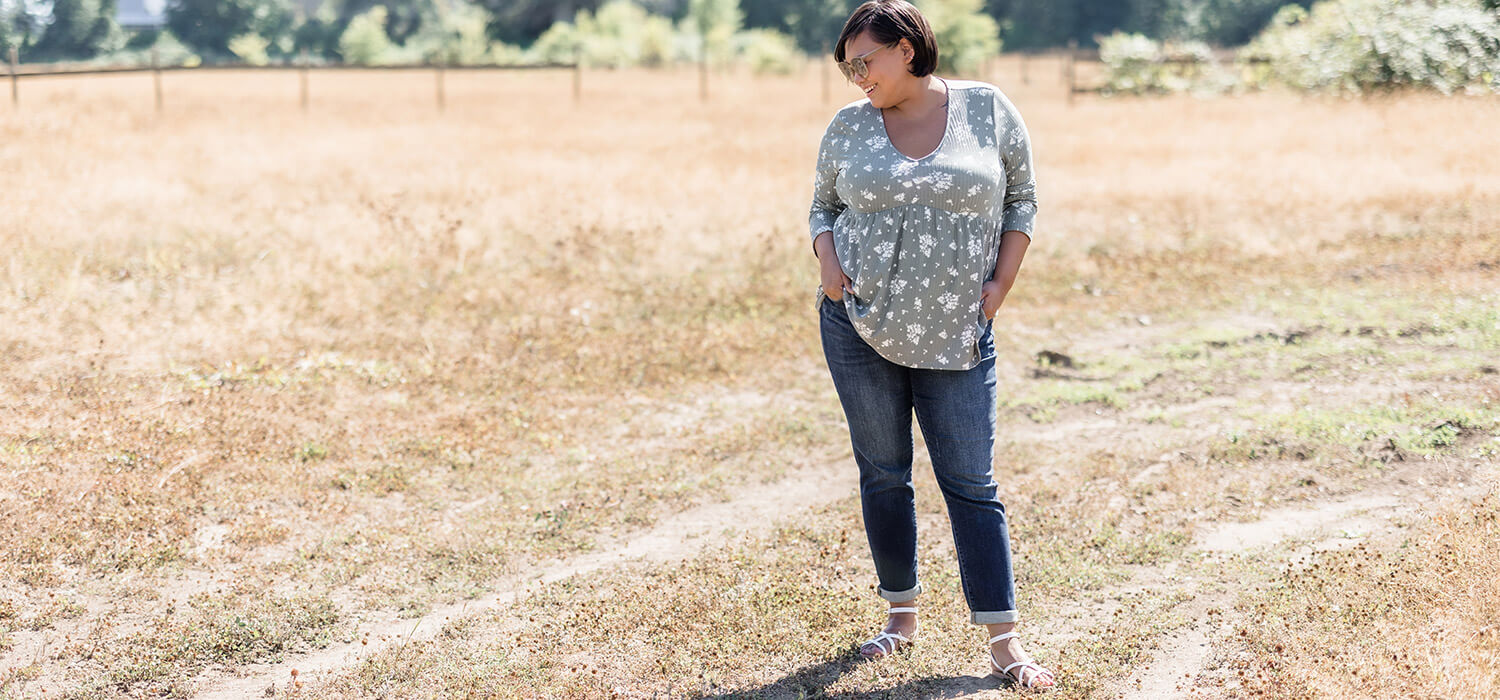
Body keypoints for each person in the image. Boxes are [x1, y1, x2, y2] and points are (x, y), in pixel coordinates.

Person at [806, 0, 1054, 689]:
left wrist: (1001, 284)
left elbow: (1022, 200)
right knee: (883, 472)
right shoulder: (850, 127)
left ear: (907, 49)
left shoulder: (987, 109)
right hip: (857, 325)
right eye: (847, 66)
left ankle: (1004, 642)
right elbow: (822, 205)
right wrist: (829, 267)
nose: (857, 76)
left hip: (957, 334)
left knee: (972, 482)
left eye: (866, 60)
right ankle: (899, 620)